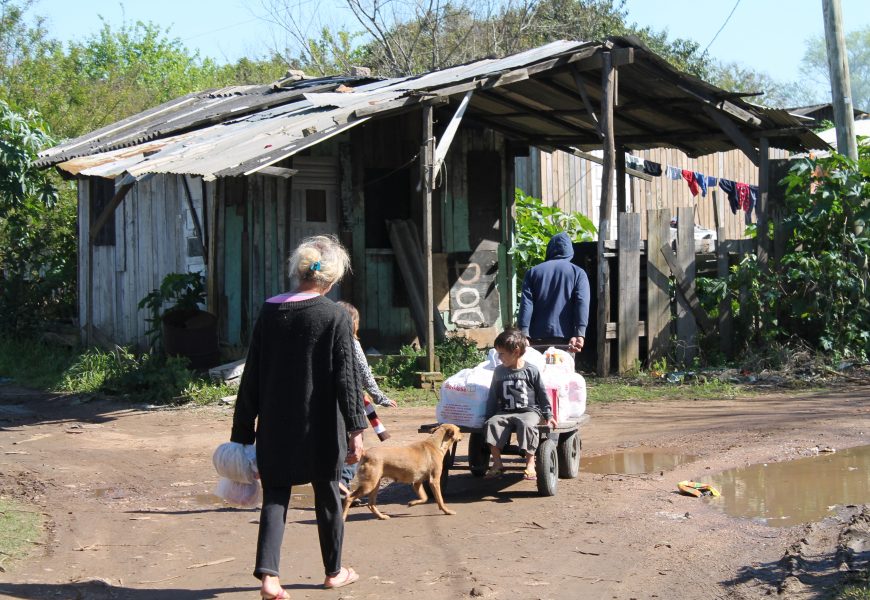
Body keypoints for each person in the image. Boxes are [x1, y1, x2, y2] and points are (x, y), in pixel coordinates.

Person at [231, 235, 367, 599]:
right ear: (331, 279)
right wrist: (357, 428)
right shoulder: (335, 315)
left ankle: (269, 579)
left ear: (299, 272)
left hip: (275, 425)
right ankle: (334, 572)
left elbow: (252, 375)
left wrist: (243, 431)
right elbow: (347, 379)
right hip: (321, 426)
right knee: (328, 496)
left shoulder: (269, 312)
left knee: (276, 496)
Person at [335, 301, 395, 497]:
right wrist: (380, 397)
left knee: (337, 444)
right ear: (353, 323)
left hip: (326, 404)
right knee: (354, 446)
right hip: (350, 403)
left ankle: (336, 484)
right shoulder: (352, 343)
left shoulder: (324, 341)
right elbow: (364, 374)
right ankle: (342, 488)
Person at [483, 328, 557, 481]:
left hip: (529, 411)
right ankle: (497, 464)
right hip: (505, 411)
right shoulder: (499, 372)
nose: (499, 357)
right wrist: (488, 416)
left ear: (516, 352)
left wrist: (548, 415)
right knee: (492, 424)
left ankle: (530, 463)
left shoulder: (531, 371)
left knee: (527, 425)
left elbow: (542, 394)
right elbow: (492, 395)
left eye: (502, 354)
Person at [516, 231, 590, 354]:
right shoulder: (578, 273)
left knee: (539, 371)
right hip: (567, 338)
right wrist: (579, 333)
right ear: (570, 251)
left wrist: (524, 333)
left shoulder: (533, 272)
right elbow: (582, 303)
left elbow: (526, 305)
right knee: (563, 371)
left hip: (537, 337)